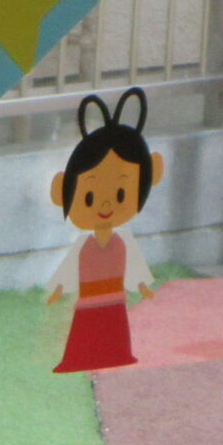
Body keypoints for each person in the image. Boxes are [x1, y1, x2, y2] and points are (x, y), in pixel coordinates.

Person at [44, 86, 165, 373]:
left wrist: (141, 286)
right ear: (61, 191)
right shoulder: (85, 245)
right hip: (88, 298)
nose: (107, 204)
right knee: (87, 329)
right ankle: (80, 357)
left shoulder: (121, 243)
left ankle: (117, 353)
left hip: (113, 297)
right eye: (89, 197)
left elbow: (133, 264)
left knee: (113, 327)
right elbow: (70, 267)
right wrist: (58, 288)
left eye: (122, 194)